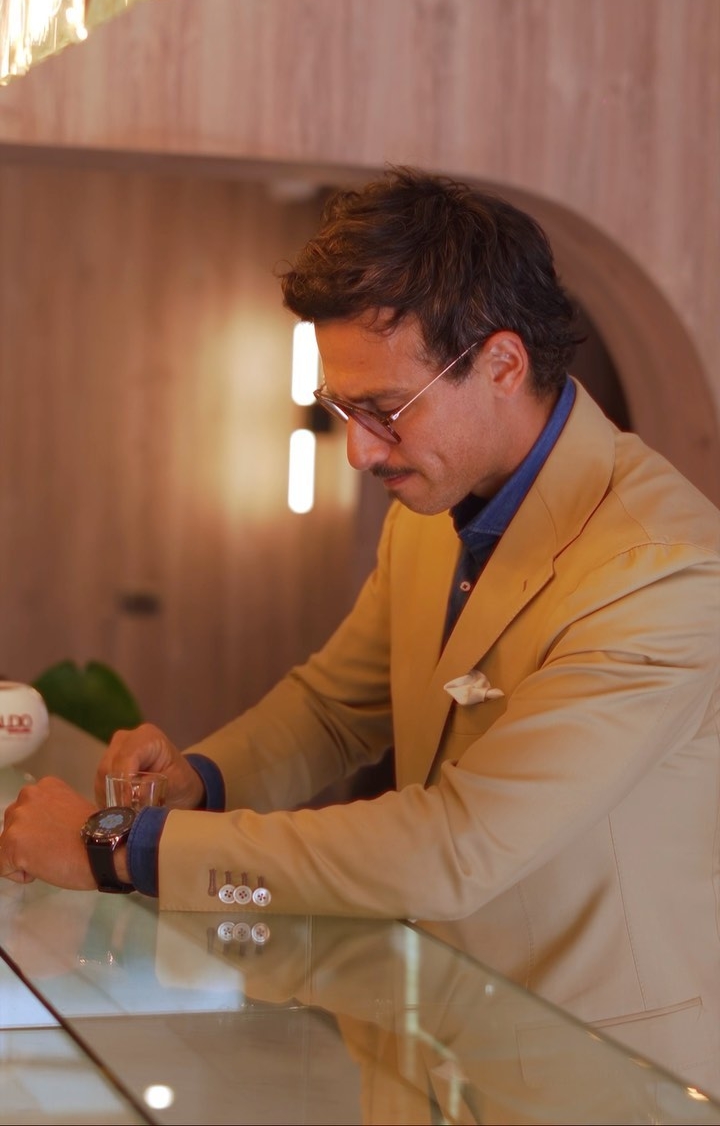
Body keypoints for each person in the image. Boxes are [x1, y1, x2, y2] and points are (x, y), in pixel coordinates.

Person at [1, 167, 719, 1094]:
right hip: (422, 1043)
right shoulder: (436, 500)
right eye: (344, 409)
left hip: (598, 1076)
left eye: (383, 409)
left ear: (503, 365)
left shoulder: (661, 568)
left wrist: (119, 847)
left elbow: (453, 849)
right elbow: (335, 706)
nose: (360, 451)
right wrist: (201, 779)